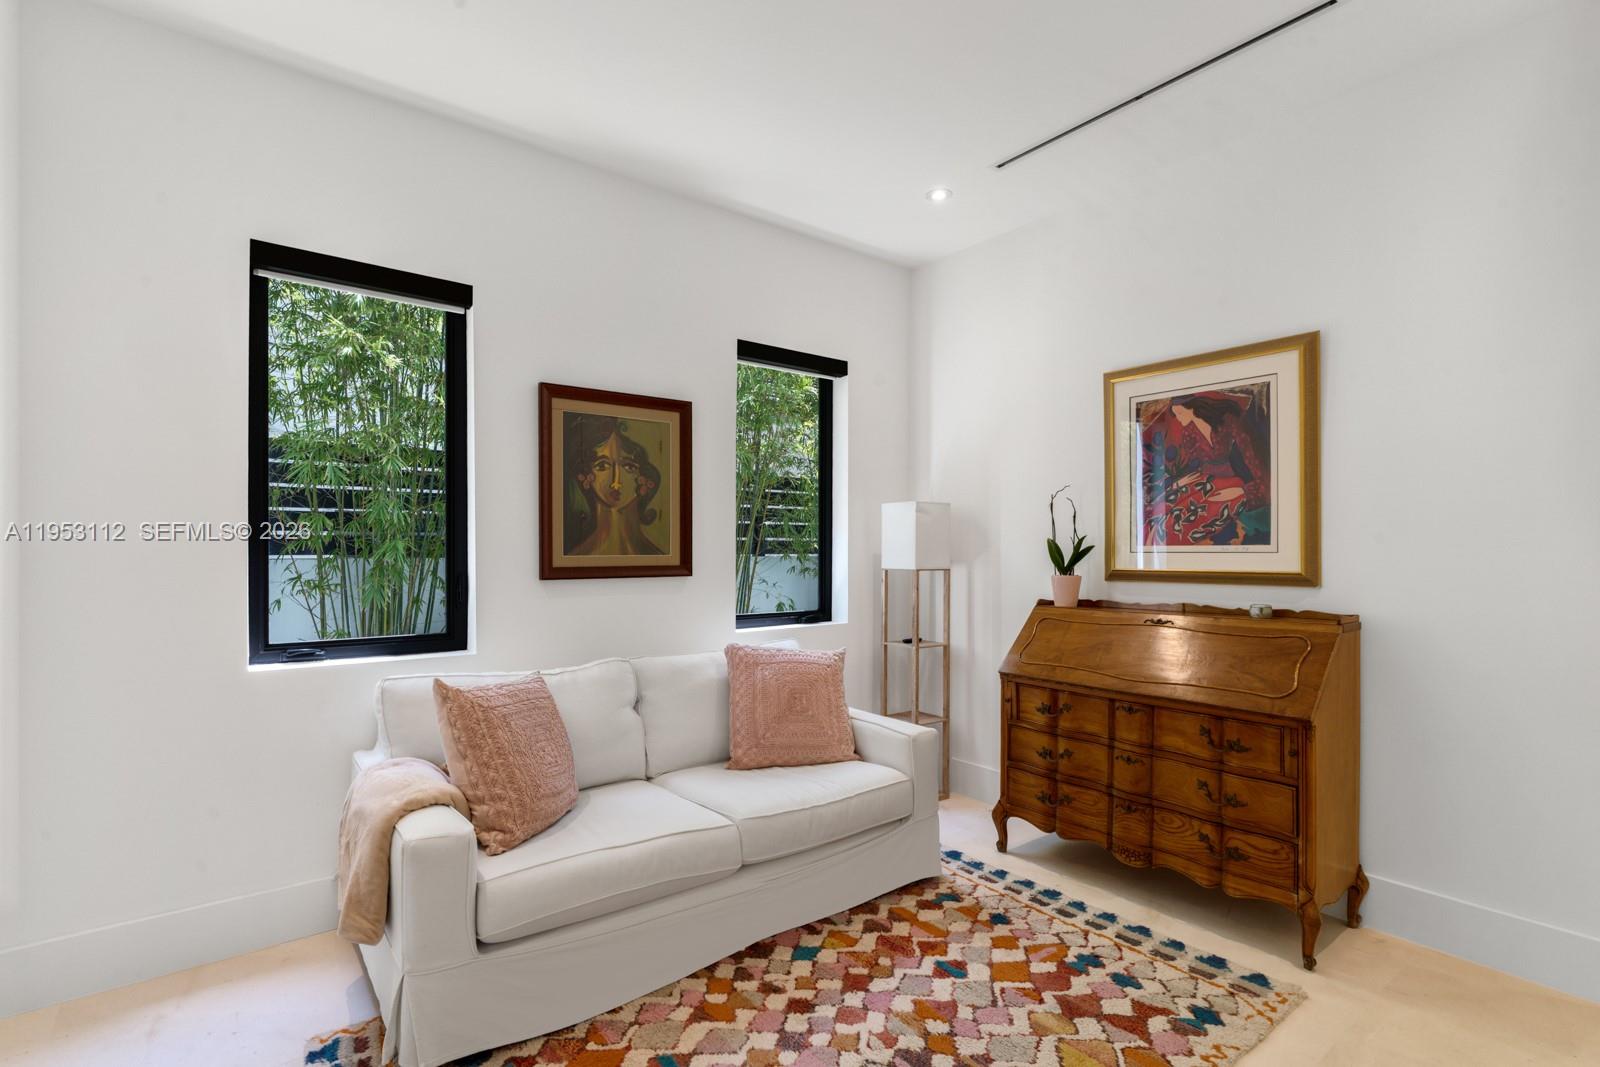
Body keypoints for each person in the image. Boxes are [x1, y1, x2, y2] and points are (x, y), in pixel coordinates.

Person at [1146, 390, 1270, 546]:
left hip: (1236, 482)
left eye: (1179, 412)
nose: (1177, 418)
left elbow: (1250, 459)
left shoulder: (1228, 422)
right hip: (1206, 480)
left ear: (1190, 407)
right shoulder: (1190, 432)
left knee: (1193, 515)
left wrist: (1243, 491)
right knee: (1165, 509)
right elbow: (1195, 465)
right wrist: (1181, 482)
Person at [564, 415, 666, 556]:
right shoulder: (575, 558)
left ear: (643, 476)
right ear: (586, 475)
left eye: (629, 467)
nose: (616, 482)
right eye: (602, 466)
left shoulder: (661, 557)